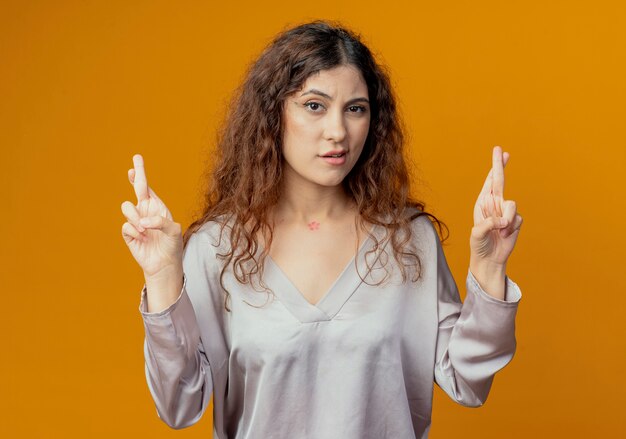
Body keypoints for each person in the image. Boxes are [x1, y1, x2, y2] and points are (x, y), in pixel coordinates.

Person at [121, 20, 523, 439]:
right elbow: (179, 405)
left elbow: (467, 382)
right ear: (272, 114)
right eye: (315, 105)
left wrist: (489, 267)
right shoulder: (218, 248)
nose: (338, 132)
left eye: (356, 109)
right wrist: (163, 276)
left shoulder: (409, 242)